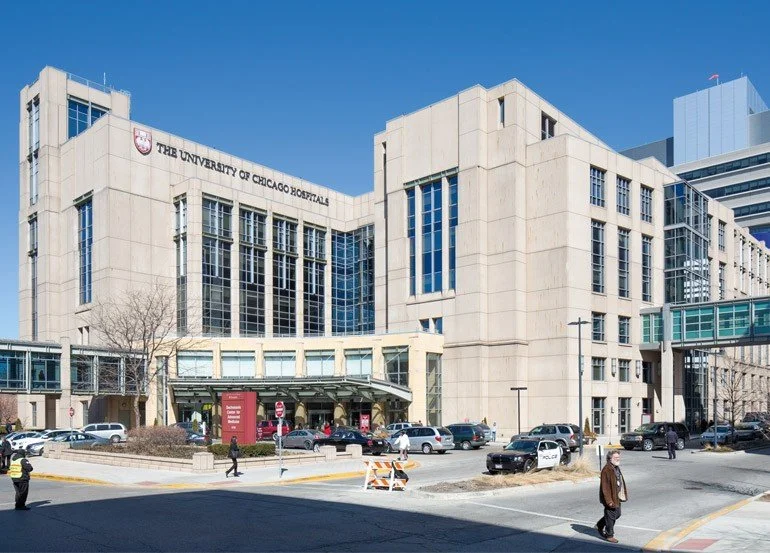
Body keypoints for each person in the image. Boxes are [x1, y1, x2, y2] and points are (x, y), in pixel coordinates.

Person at [596, 450, 627, 544]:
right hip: (610, 498)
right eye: (616, 457)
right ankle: (609, 535)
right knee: (611, 517)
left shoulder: (615, 467)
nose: (618, 459)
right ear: (610, 459)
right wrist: (609, 501)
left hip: (616, 496)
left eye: (618, 457)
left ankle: (600, 524)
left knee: (617, 514)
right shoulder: (606, 470)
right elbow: (605, 487)